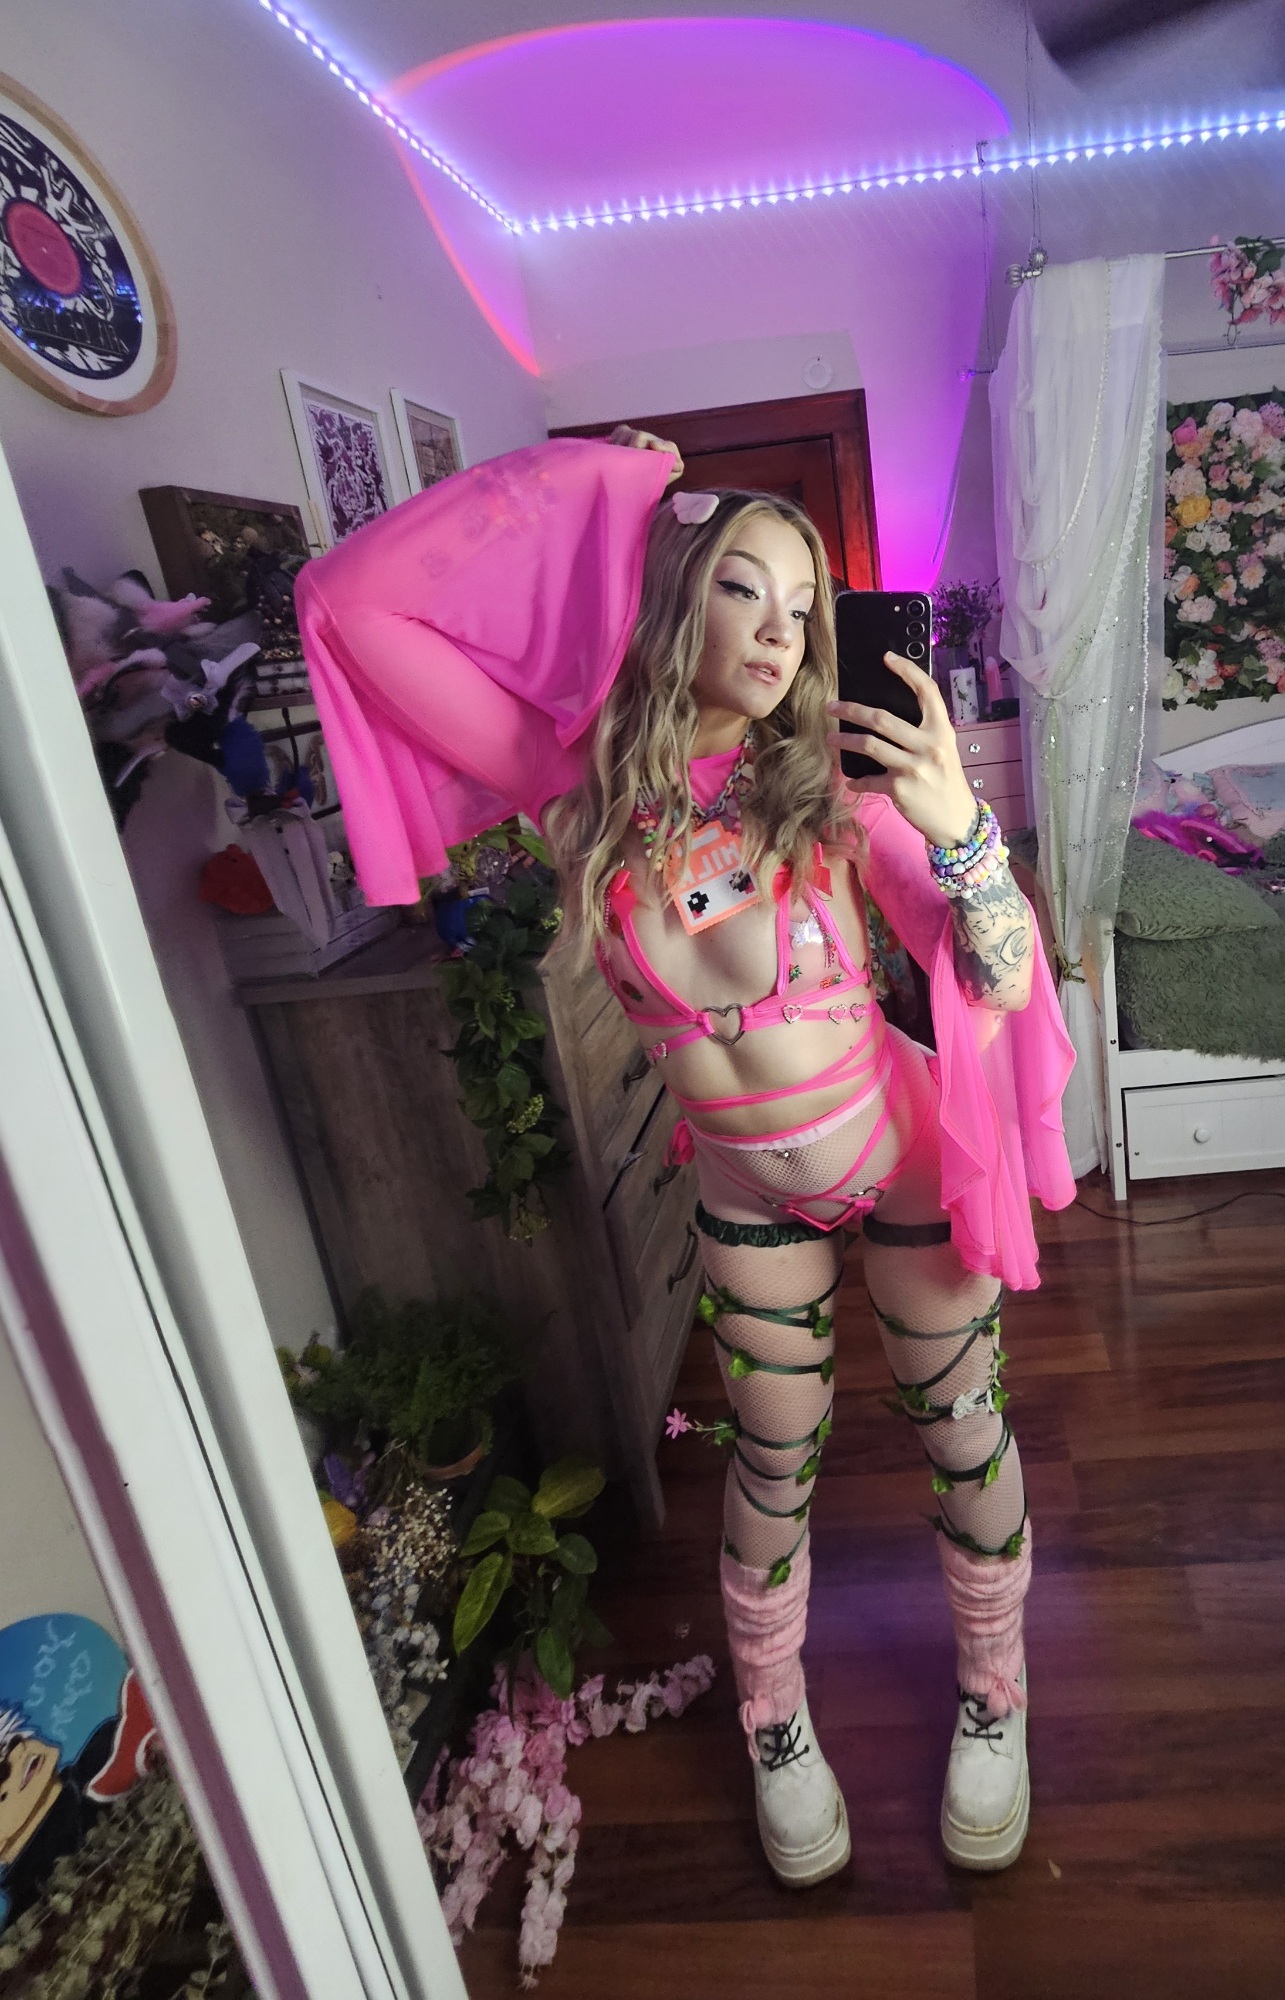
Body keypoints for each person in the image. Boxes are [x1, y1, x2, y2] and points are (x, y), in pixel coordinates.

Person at [295, 431, 1076, 1886]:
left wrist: (964, 833)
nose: (781, 631)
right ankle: (776, 1721)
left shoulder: (832, 790)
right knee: (771, 1455)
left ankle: (997, 1691)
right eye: (743, 587)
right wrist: (592, 482)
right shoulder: (576, 784)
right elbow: (349, 602)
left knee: (963, 1429)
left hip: (900, 1159)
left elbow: (1005, 976)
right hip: (744, 1188)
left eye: (803, 604)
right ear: (671, 593)